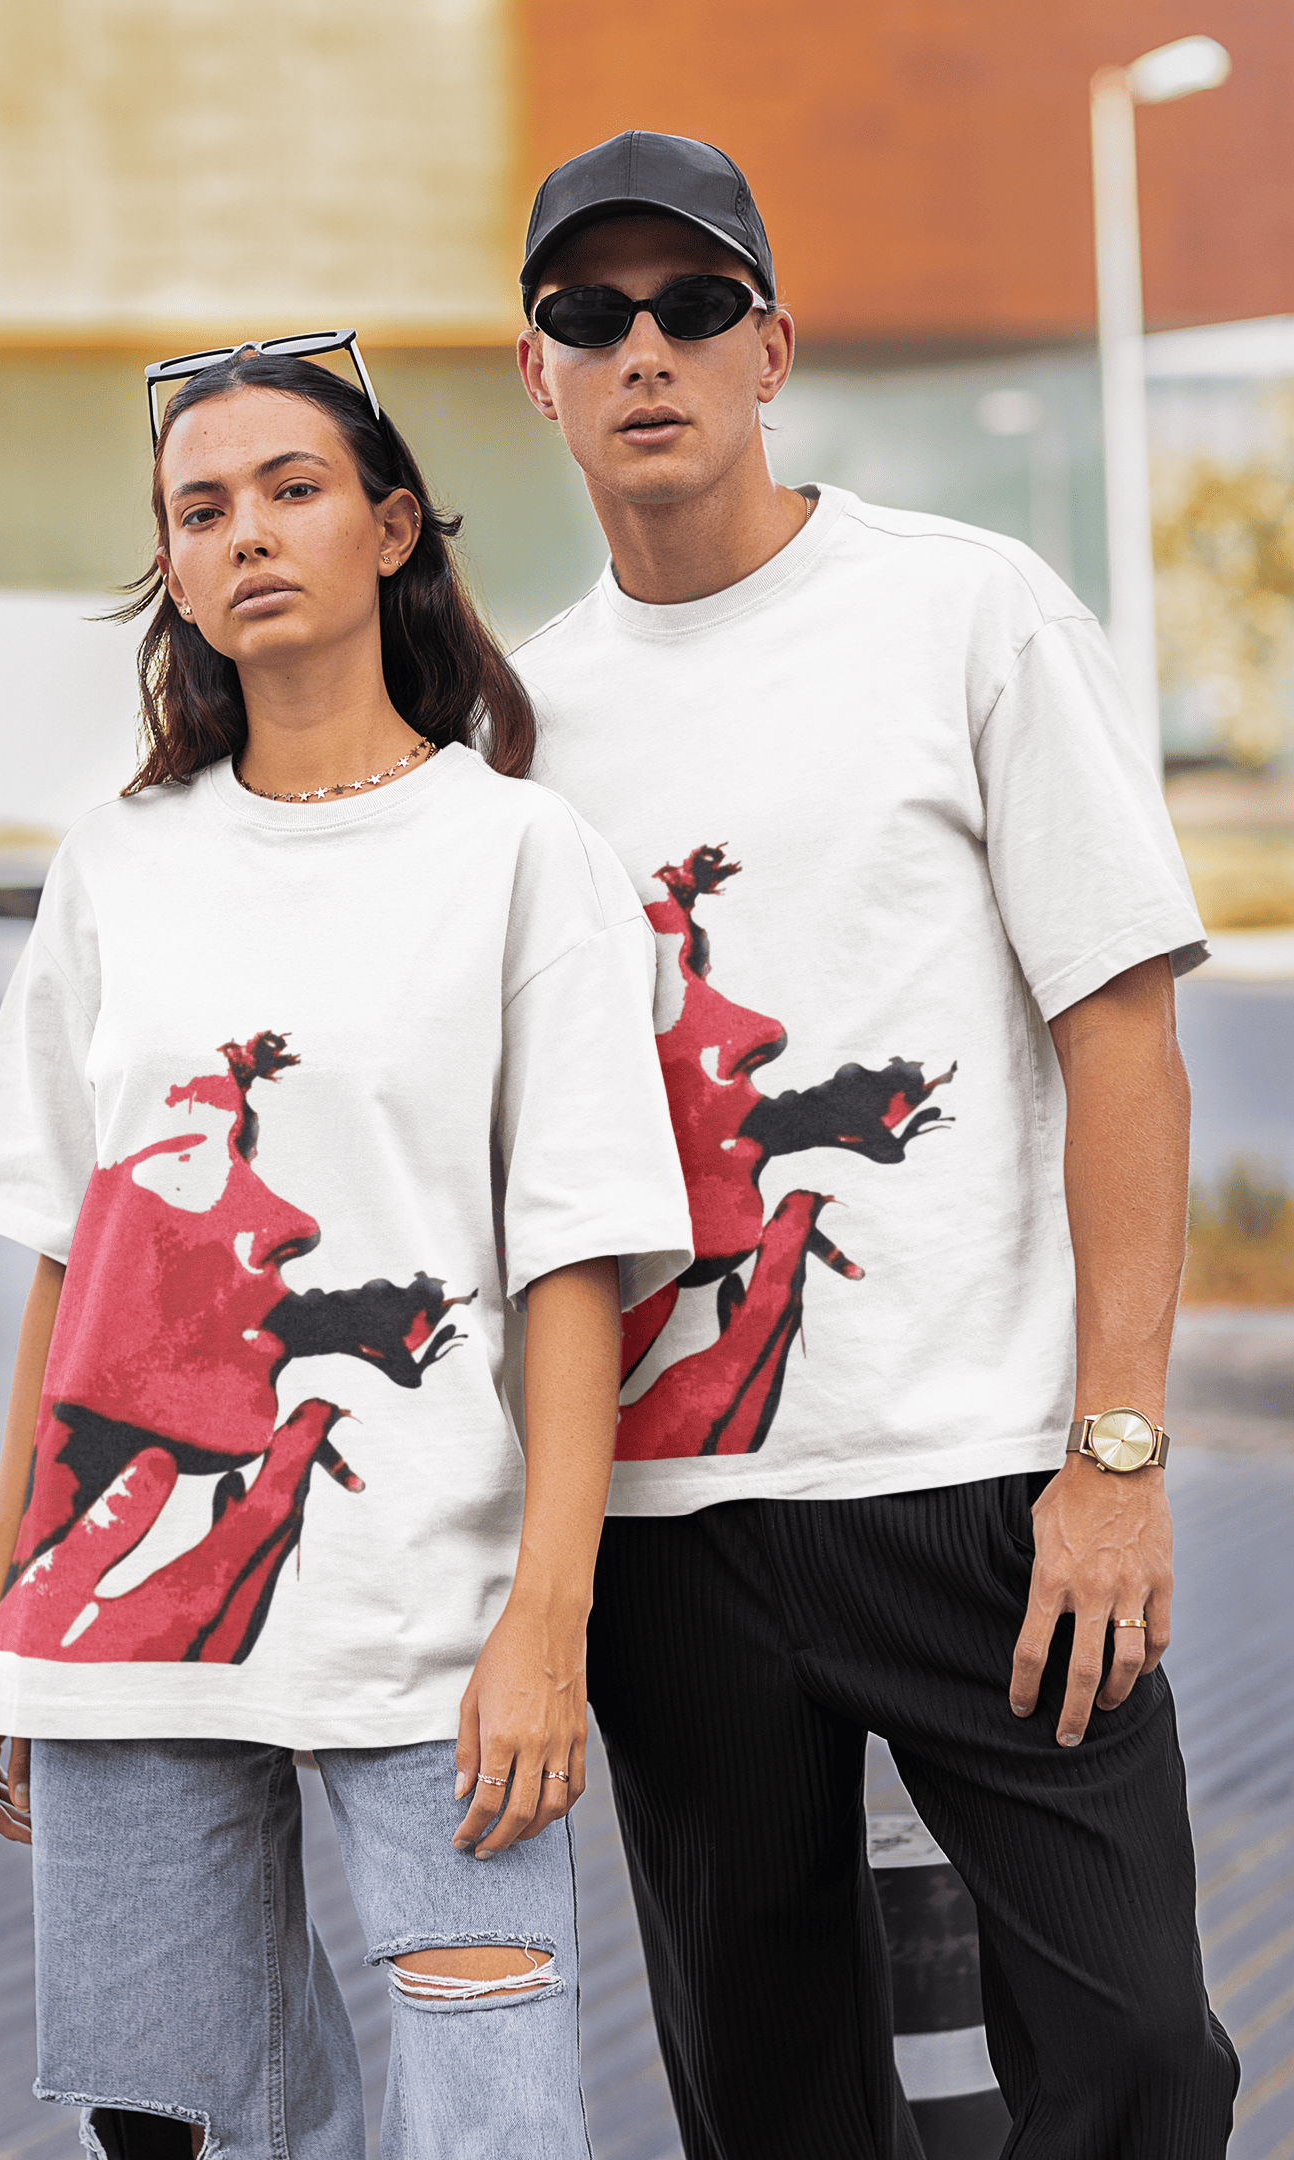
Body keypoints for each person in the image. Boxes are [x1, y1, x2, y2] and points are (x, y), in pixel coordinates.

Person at [509, 130, 1239, 2159]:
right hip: (673, 1526)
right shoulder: (522, 731)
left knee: (1141, 2065)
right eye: (592, 312)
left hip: (985, 1496)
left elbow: (1125, 1038)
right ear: (538, 374)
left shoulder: (963, 614)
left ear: (773, 348)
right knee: (773, 2096)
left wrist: (1117, 1454)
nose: (643, 346)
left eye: (693, 305)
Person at [0, 337, 693, 2160]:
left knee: (494, 2111)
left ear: (392, 528)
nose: (250, 533)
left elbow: (578, 1262)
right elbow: (77, 1253)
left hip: (432, 1613)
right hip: (125, 1622)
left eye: (293, 488)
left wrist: (549, 1618)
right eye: (202, 511)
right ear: (176, 577)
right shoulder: (116, 865)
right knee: (182, 2118)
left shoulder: (517, 855)